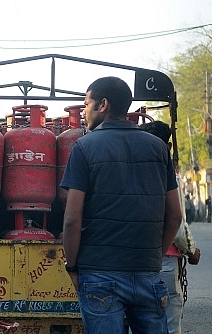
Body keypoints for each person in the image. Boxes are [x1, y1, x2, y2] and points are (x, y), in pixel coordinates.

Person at [60, 77, 183, 334]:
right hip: (147, 272)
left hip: (99, 274)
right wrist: (153, 258)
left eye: (87, 104)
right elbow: (175, 216)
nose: (83, 112)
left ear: (102, 105)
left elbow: (72, 220)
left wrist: (72, 267)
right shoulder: (159, 148)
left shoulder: (84, 148)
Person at [139, 120, 201, 334]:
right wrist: (191, 250)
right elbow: (176, 221)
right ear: (168, 147)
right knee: (169, 321)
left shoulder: (132, 174)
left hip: (133, 258)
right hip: (163, 259)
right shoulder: (167, 176)